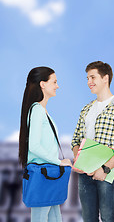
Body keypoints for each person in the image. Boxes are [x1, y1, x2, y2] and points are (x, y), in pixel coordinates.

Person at [71, 61, 114, 222]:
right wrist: (80, 162)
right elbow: (75, 140)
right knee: (88, 217)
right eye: (87, 78)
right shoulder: (86, 109)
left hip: (107, 172)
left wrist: (104, 169)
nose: (89, 82)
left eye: (93, 77)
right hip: (85, 174)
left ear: (105, 78)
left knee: (108, 216)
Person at [19, 67, 72, 222]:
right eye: (54, 82)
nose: (57, 86)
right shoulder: (37, 110)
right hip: (43, 175)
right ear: (43, 84)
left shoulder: (42, 110)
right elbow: (34, 146)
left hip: (47, 175)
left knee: (55, 218)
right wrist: (59, 161)